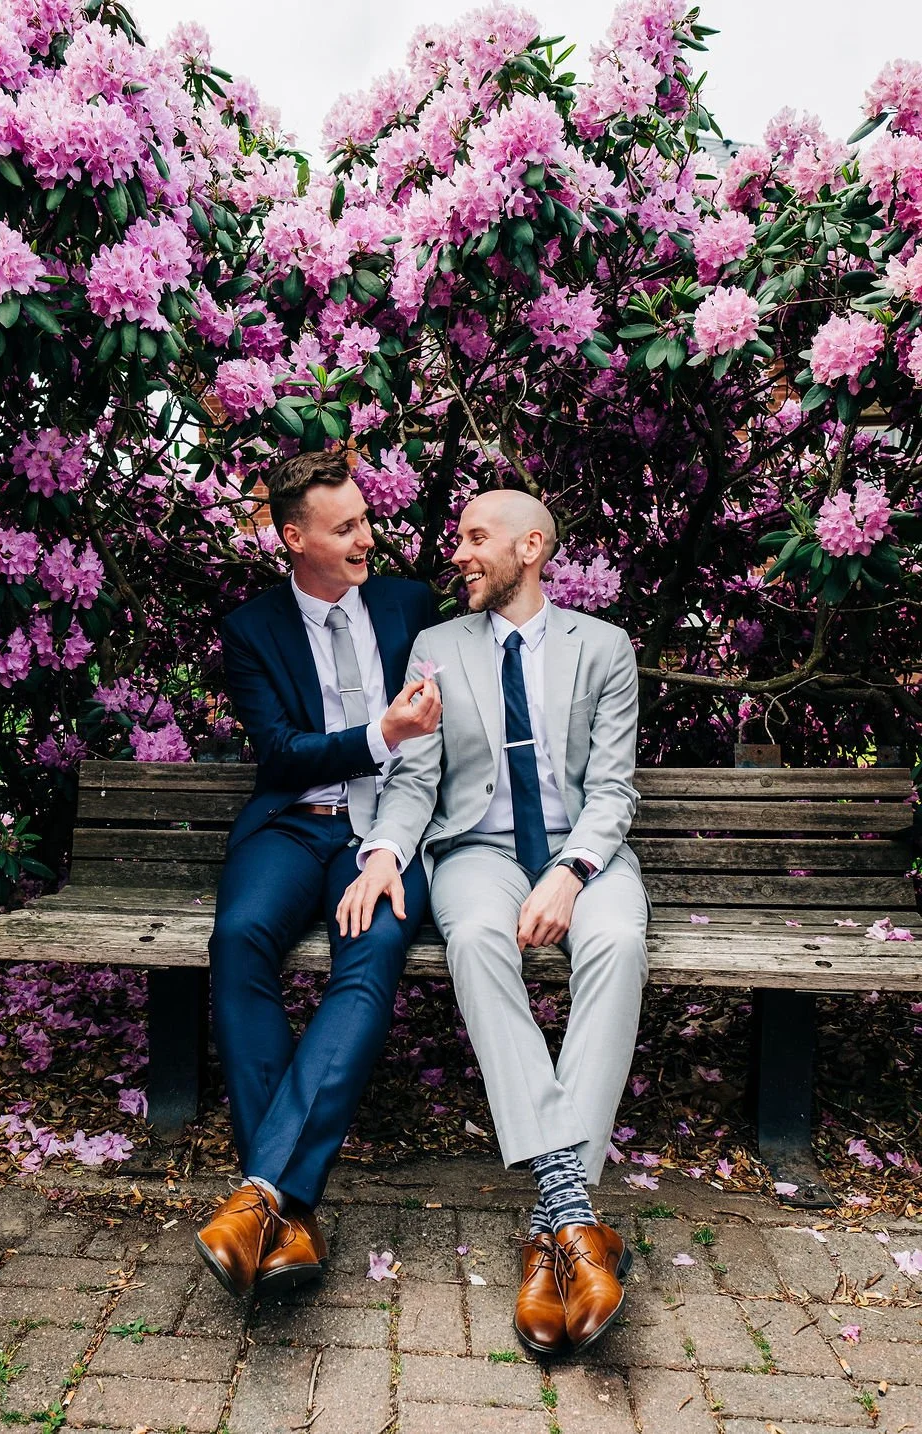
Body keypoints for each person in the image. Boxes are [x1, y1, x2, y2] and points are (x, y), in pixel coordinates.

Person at [337, 488, 648, 1356]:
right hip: (476, 850)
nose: (461, 553)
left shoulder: (605, 649)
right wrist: (387, 852)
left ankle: (556, 1224)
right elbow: (414, 778)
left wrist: (572, 872)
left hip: (586, 854)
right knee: (474, 937)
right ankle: (577, 1220)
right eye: (460, 539)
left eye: (478, 538)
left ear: (532, 547)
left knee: (619, 941)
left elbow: (615, 788)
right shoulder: (437, 647)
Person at [196, 451, 439, 1300]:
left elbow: (437, 752)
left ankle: (259, 1198)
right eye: (346, 529)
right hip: (293, 825)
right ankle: (287, 1208)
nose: (368, 537)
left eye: (367, 520)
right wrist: (380, 733)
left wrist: (390, 846)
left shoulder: (411, 607)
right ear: (293, 538)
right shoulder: (251, 629)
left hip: (382, 835)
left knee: (368, 958)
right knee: (239, 940)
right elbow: (281, 756)